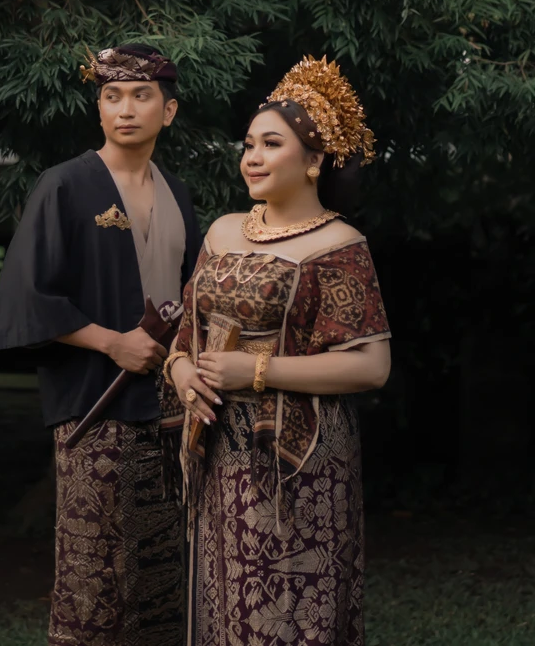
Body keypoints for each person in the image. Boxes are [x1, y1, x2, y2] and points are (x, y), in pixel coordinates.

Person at [164, 56, 391, 646]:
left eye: (271, 144)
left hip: (299, 459)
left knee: (289, 612)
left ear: (314, 161)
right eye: (248, 145)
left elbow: (372, 366)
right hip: (219, 450)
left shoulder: (339, 245)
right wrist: (183, 373)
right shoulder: (222, 231)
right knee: (225, 603)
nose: (253, 157)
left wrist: (256, 370)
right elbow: (184, 338)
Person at [0, 43, 201, 646]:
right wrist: (112, 344)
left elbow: (192, 297)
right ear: (99, 108)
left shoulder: (178, 193)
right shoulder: (65, 185)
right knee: (99, 579)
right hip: (96, 408)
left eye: (141, 96)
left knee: (164, 577)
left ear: (169, 111)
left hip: (173, 412)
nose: (124, 109)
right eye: (111, 96)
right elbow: (26, 296)